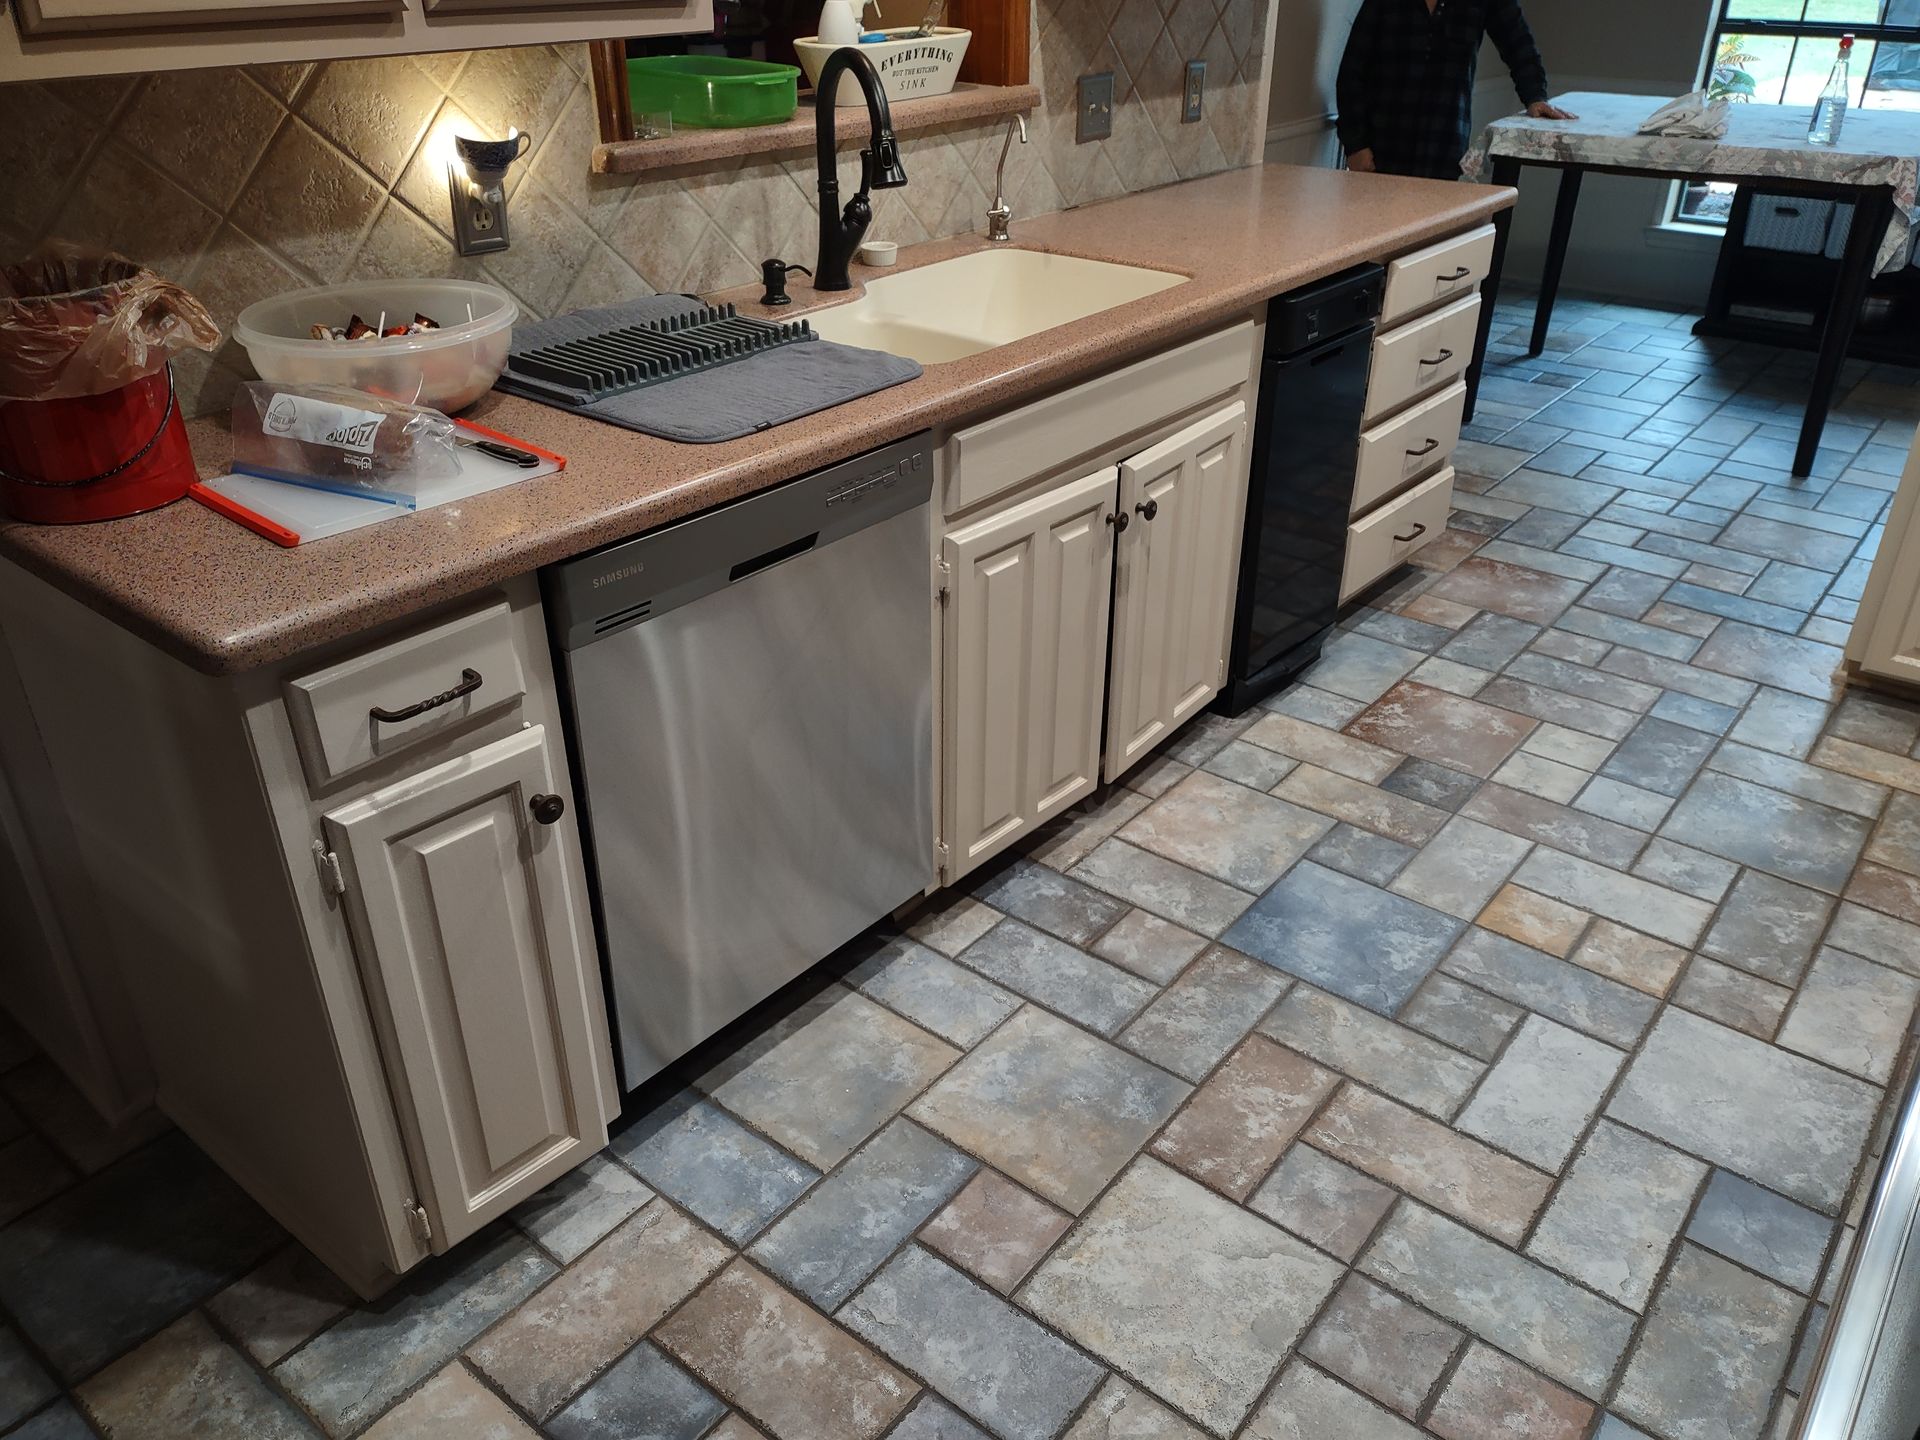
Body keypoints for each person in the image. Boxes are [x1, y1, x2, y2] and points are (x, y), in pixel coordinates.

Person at [1336, 0, 1577, 180]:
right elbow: (1352, 71)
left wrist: (1535, 96)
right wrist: (1356, 144)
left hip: (1444, 150)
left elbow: (1519, 44)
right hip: (1381, 151)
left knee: (1436, 230)